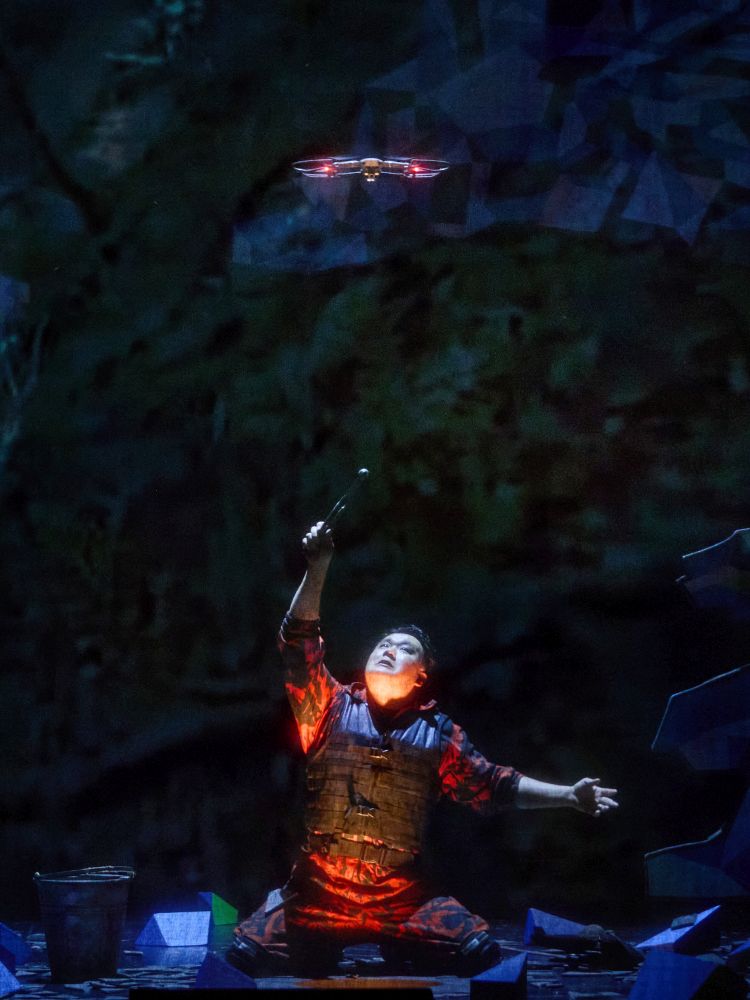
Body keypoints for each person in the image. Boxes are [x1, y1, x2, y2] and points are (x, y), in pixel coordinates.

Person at [228, 521, 618, 977]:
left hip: (399, 897)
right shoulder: (328, 706)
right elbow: (298, 641)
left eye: (404, 648)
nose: (389, 649)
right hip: (319, 893)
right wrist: (319, 566)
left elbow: (493, 785)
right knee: (244, 953)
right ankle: (319, 943)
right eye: (384, 643)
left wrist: (568, 795)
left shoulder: (438, 734)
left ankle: (400, 944)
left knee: (478, 950)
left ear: (421, 677)